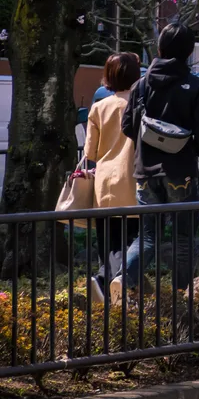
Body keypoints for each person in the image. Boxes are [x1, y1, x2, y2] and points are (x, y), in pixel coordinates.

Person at [120, 25, 199, 296]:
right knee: (183, 238)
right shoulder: (195, 86)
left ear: (159, 48)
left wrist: (147, 144)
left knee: (148, 236)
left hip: (145, 172)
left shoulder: (140, 85)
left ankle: (124, 282)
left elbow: (127, 126)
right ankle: (181, 292)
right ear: (188, 52)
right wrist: (196, 148)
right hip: (181, 172)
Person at [82, 52, 141, 305]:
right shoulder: (142, 105)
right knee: (132, 237)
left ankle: (103, 281)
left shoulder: (99, 107)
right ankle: (117, 281)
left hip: (104, 182)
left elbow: (90, 153)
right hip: (133, 178)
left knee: (107, 238)